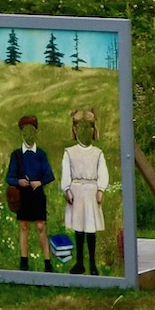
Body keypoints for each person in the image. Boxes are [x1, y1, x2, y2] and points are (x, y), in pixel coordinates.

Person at [62, 108, 112, 276]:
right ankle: (79, 263)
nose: (84, 131)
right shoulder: (70, 152)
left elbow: (103, 172)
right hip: (77, 192)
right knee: (79, 229)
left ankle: (92, 263)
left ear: (93, 130)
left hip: (91, 192)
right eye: (80, 127)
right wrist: (67, 189)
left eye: (87, 127)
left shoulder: (97, 153)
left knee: (90, 229)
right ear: (75, 130)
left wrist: (100, 189)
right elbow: (66, 172)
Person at [5, 114, 54, 269]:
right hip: (23, 195)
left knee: (40, 226)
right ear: (21, 133)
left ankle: (47, 262)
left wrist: (39, 182)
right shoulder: (16, 155)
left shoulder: (41, 154)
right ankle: (23, 261)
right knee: (24, 225)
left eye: (31, 130)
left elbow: (49, 174)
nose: (28, 134)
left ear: (35, 132)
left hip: (37, 194)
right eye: (25, 131)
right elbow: (9, 177)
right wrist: (18, 181)